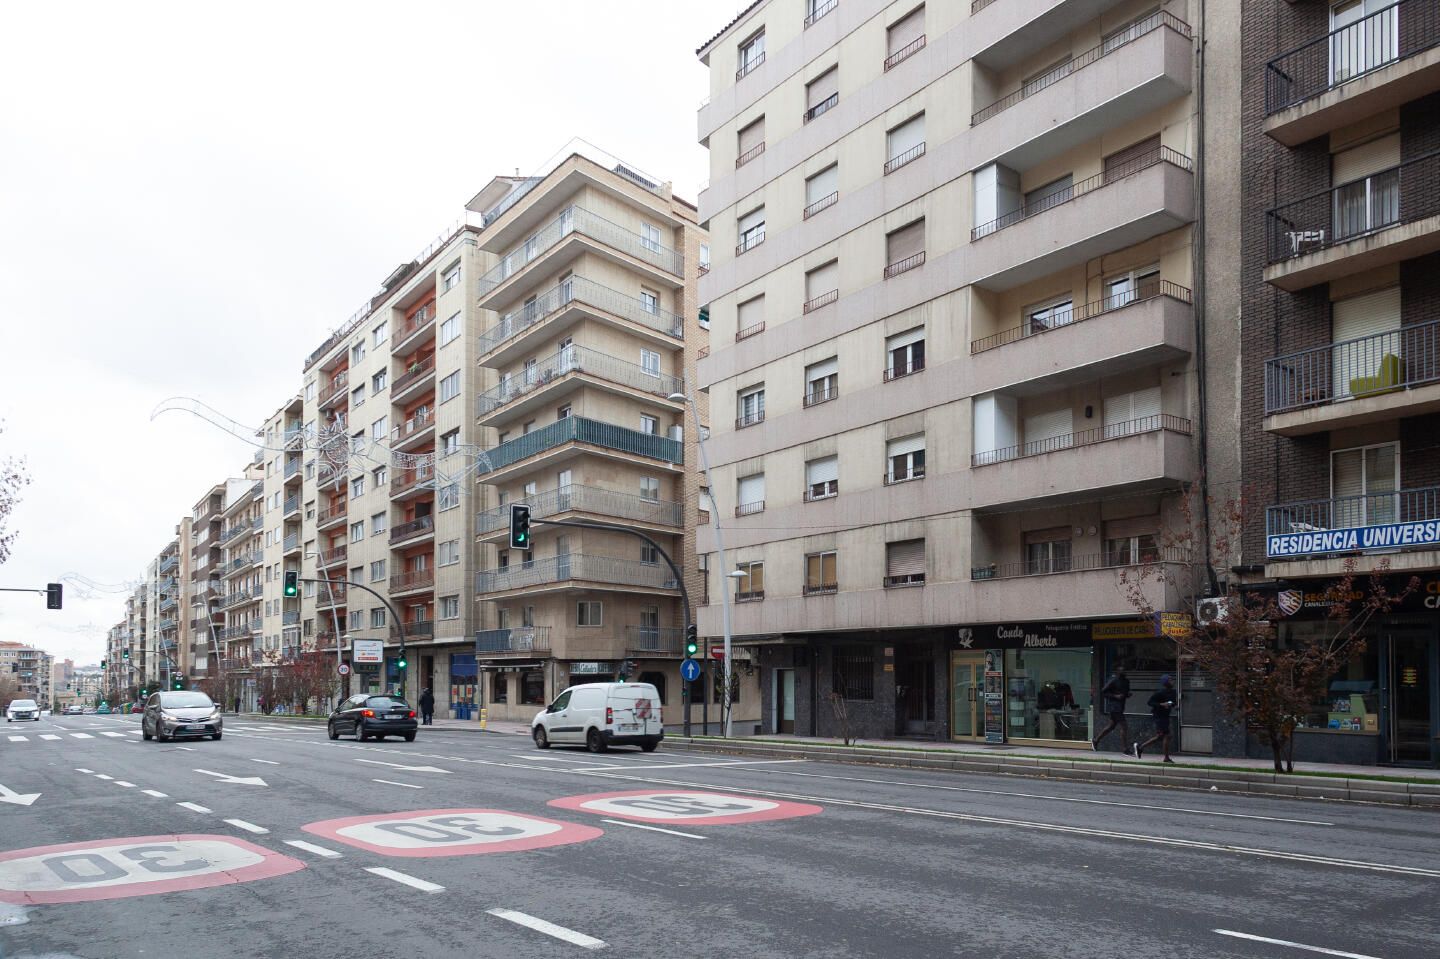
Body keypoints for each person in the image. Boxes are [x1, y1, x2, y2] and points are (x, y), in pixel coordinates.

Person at [1133, 674, 1179, 762]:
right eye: (1170, 680)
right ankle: (1166, 758)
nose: (1172, 681)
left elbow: (1172, 702)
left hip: (1165, 716)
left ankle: (1140, 747)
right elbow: (1150, 702)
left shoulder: (1173, 692)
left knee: (1160, 736)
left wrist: (1175, 706)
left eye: (1172, 679)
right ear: (1165, 682)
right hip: (1159, 716)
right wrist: (1162, 704)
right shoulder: (1160, 693)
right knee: (1167, 735)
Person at [1092, 665, 1131, 751]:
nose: (1124, 672)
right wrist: (1115, 696)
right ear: (1118, 672)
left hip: (1120, 706)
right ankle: (1125, 749)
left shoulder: (1127, 681)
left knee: (1111, 726)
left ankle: (1096, 740)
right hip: (1114, 706)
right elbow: (1103, 691)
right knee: (1124, 726)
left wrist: (1127, 695)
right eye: (1122, 671)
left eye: (1125, 671)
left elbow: (1125, 692)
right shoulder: (1113, 680)